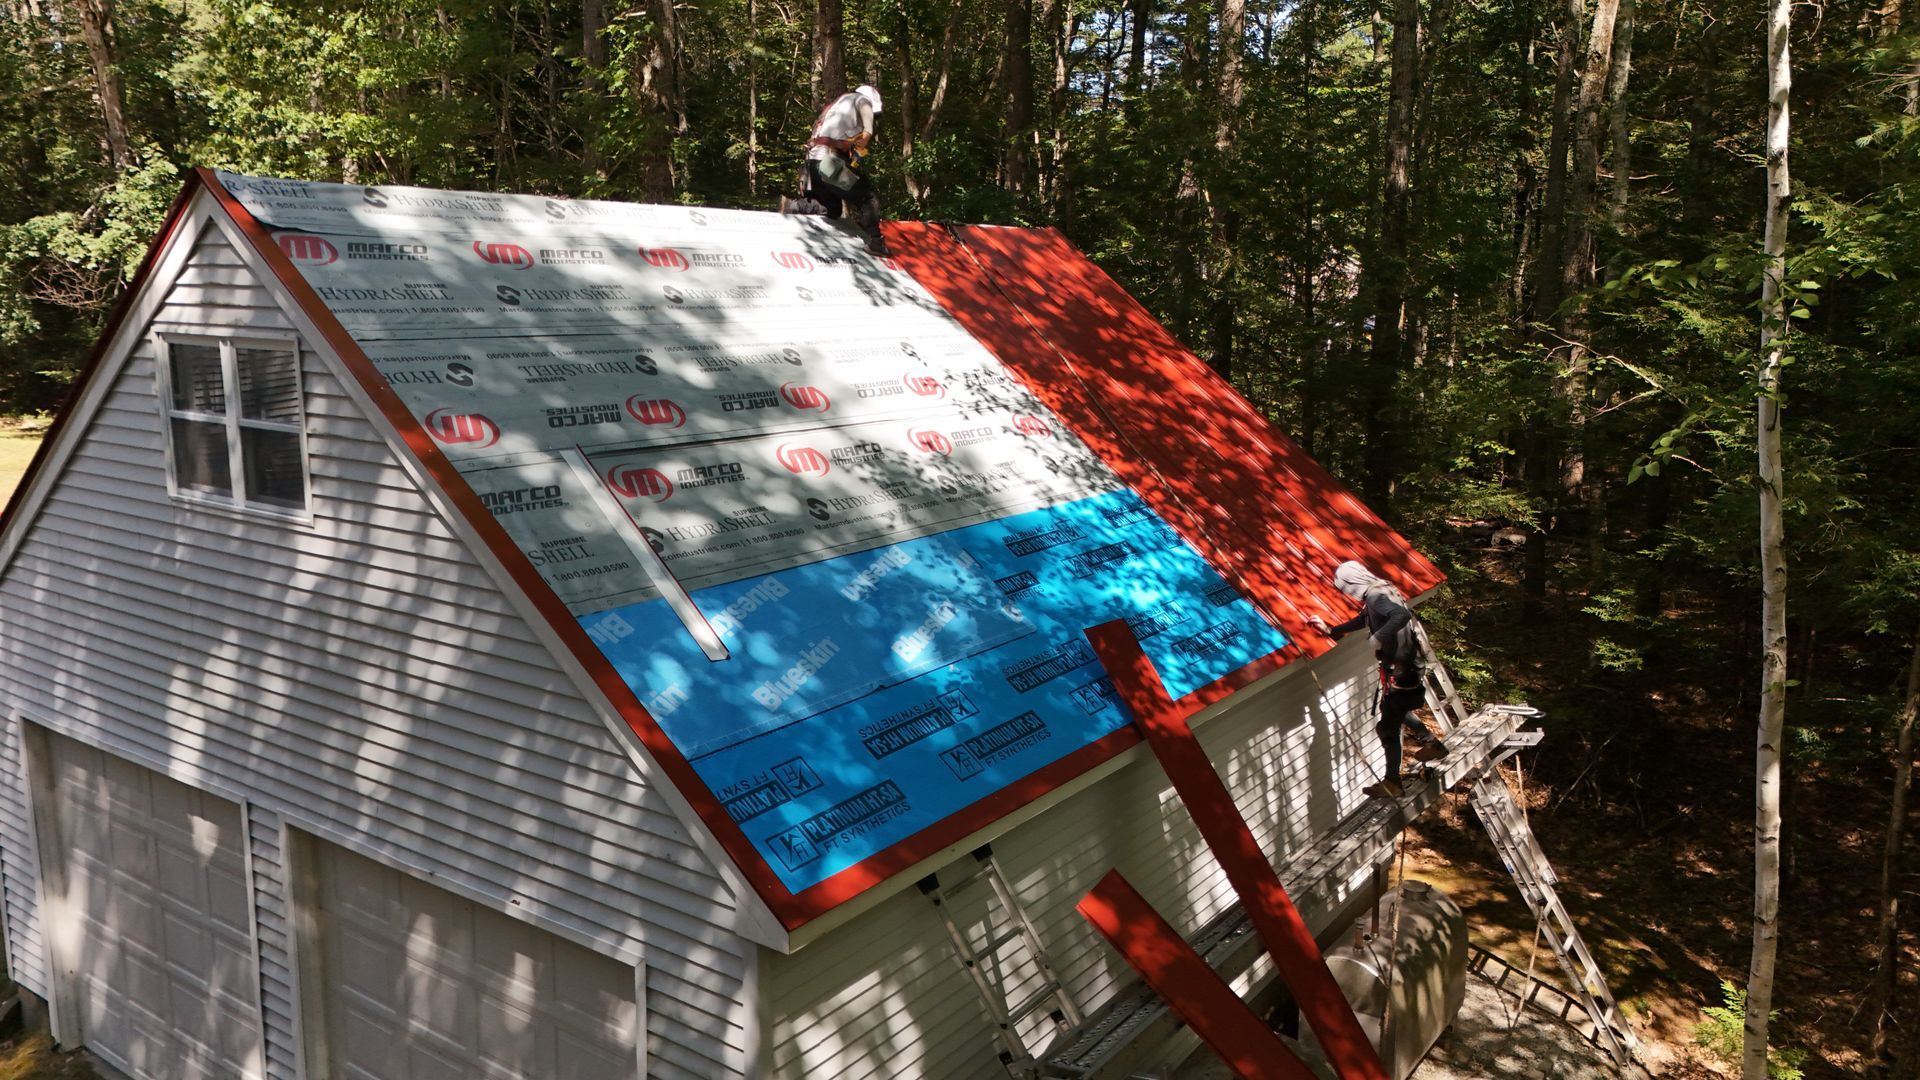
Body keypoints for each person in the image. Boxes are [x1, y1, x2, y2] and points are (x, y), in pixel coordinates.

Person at [1306, 560, 1448, 798]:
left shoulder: (1375, 596)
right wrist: (1333, 630)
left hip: (1402, 671)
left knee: (1387, 729)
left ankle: (1393, 782)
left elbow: (1401, 615)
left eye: (1344, 587)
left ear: (1352, 582)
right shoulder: (1380, 590)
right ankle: (1432, 743)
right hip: (1408, 668)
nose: (1345, 593)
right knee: (1397, 710)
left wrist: (1378, 637)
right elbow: (1365, 620)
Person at [782, 84, 890, 256]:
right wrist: (868, 133)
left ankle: (794, 206)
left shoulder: (835, 106)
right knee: (866, 197)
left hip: (813, 161)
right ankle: (876, 243)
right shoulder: (862, 100)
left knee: (830, 208)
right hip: (829, 162)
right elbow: (866, 115)